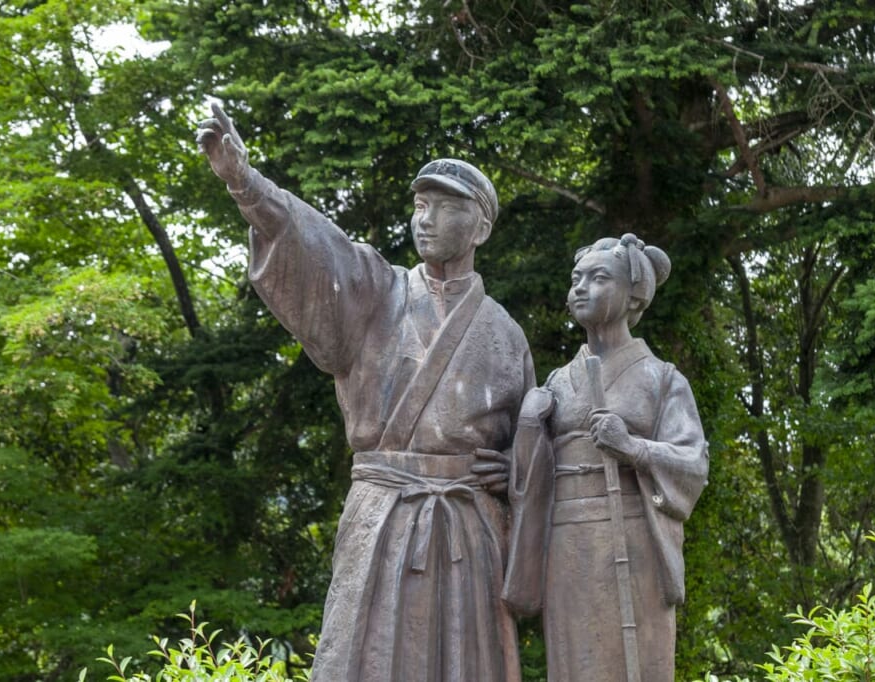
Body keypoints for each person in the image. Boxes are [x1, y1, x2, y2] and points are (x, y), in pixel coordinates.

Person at [196, 103, 533, 681]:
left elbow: (533, 449)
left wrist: (514, 471)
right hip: (383, 515)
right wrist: (245, 184)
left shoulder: (506, 335)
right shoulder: (377, 291)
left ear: (480, 227)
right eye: (420, 207)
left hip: (469, 527)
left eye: (446, 208)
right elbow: (314, 246)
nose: (426, 220)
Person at [502, 234, 708, 682]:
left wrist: (634, 447)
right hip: (566, 540)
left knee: (640, 660)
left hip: (632, 536)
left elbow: (693, 463)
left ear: (634, 296)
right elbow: (527, 479)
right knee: (574, 661)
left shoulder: (661, 379)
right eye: (576, 278)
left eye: (598, 278)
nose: (581, 288)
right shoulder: (558, 381)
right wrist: (530, 427)